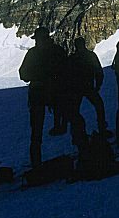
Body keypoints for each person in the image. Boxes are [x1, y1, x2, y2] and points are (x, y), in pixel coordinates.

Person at [19, 26, 67, 168]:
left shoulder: (33, 53)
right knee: (72, 119)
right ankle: (83, 147)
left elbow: (23, 74)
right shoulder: (58, 51)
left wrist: (36, 76)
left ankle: (36, 163)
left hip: (38, 94)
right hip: (56, 93)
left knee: (36, 131)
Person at [65, 37, 107, 148]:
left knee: (74, 112)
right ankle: (102, 130)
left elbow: (67, 76)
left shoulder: (72, 58)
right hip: (88, 87)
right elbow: (99, 72)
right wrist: (97, 85)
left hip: (76, 89)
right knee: (99, 106)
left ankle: (77, 136)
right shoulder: (90, 56)